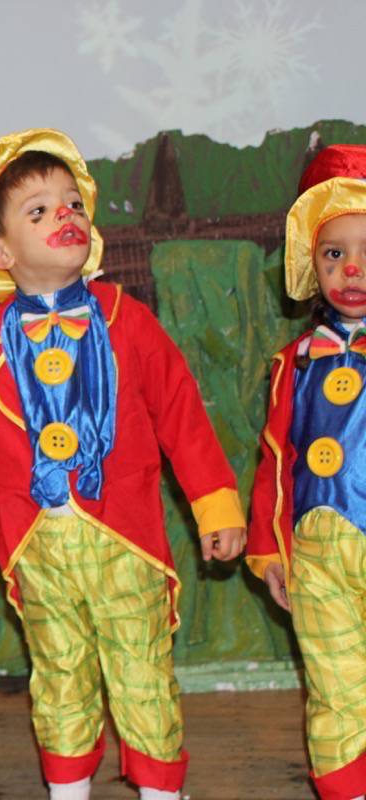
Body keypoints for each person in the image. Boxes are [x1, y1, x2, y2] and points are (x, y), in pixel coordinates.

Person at [0, 129, 246, 800]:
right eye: (40, 210)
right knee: (57, 672)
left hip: (125, 534)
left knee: (142, 669)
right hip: (35, 540)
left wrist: (213, 501)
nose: (66, 217)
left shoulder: (125, 317)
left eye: (73, 203)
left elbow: (180, 411)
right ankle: (69, 791)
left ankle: (162, 792)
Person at [247, 143, 366, 800]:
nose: (352, 268)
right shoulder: (293, 362)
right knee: (334, 686)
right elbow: (275, 459)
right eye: (334, 253)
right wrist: (269, 548)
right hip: (319, 554)